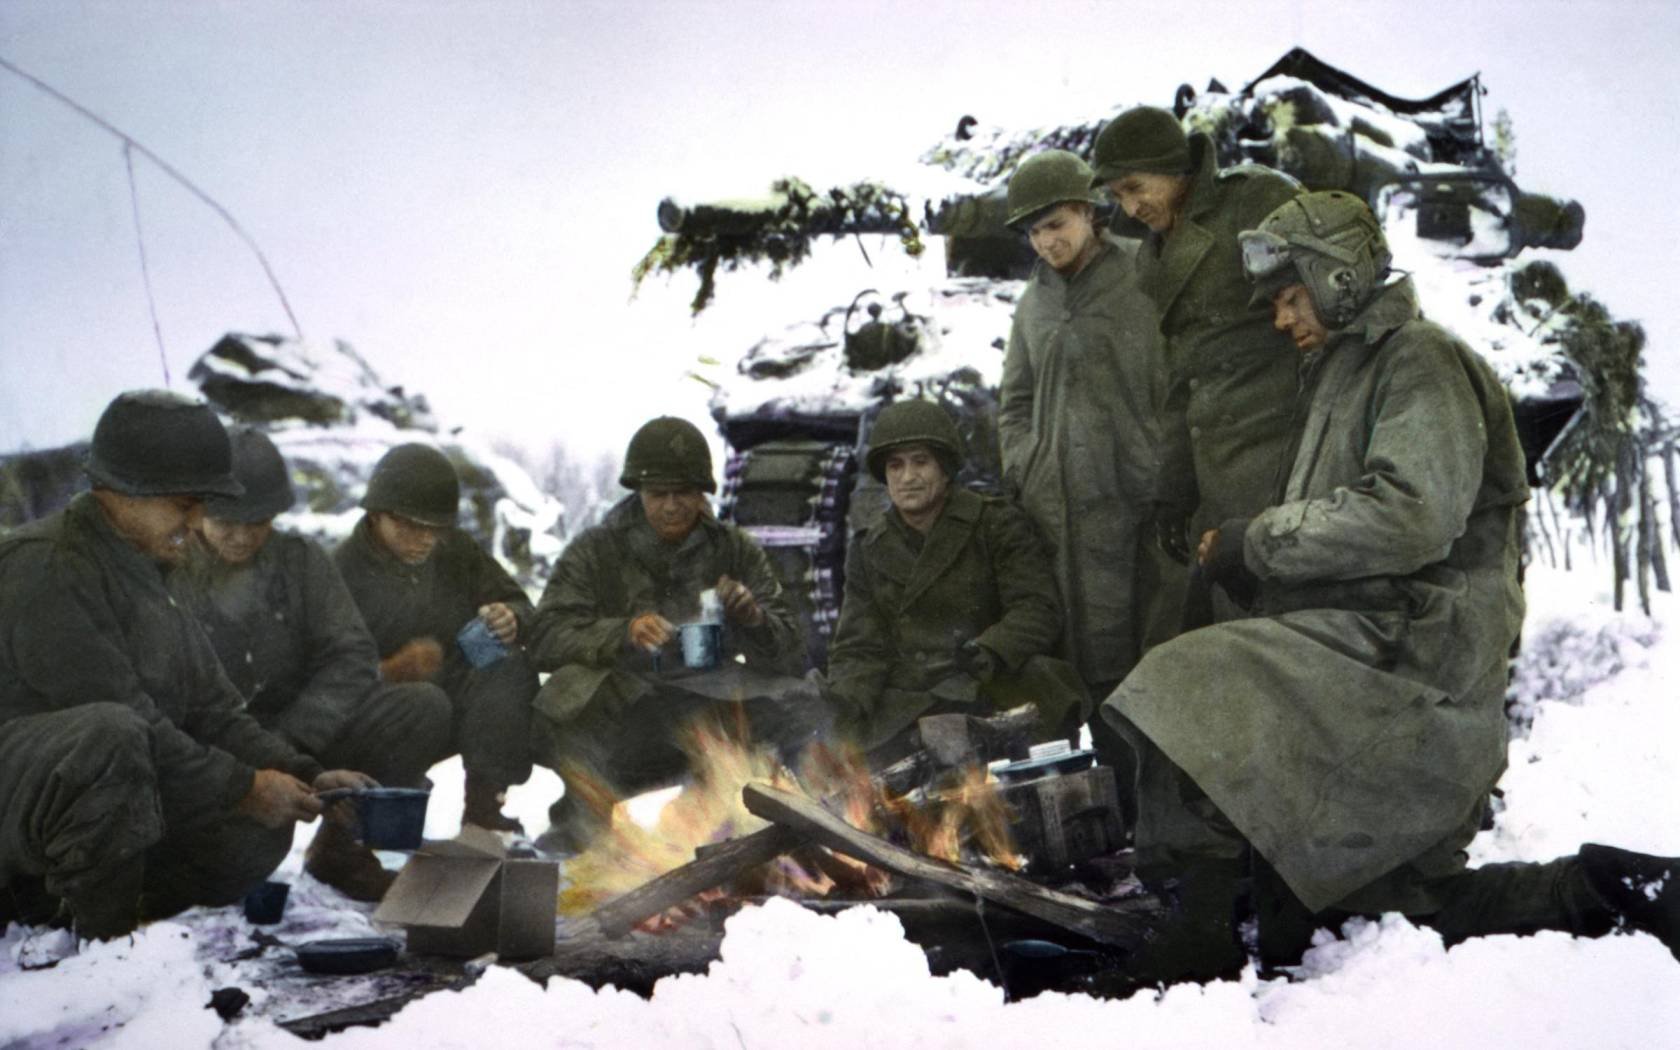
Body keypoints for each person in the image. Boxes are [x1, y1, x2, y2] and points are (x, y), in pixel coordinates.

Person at [1097, 191, 1679, 984]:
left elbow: (1413, 514)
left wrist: (1261, 541)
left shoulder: (1419, 359)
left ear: (1337, 278)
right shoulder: (1341, 374)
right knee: (1394, 915)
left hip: (1415, 659)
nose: (1279, 318)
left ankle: (1196, 940)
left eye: (1289, 296)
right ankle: (1616, 888)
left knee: (1180, 681)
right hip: (1371, 657)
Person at [0, 391, 368, 945]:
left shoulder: (150, 568)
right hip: (25, 804)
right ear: (118, 494)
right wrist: (243, 786)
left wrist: (302, 773)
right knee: (111, 735)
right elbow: (131, 723)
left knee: (262, 823)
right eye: (184, 504)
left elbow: (214, 711)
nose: (198, 524)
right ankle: (94, 946)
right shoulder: (45, 566)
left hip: (99, 798)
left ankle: (113, 903)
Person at [170, 427, 452, 900]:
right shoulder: (169, 571)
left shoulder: (302, 562)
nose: (241, 536)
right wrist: (249, 772)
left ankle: (346, 854)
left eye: (256, 522)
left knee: (419, 706)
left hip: (303, 732)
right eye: (226, 521)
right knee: (244, 860)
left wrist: (293, 739)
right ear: (198, 512)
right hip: (215, 754)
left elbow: (351, 655)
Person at [525, 416, 818, 853]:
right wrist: (622, 632)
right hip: (623, 716)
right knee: (574, 697)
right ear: (638, 493)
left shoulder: (733, 548)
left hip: (706, 707)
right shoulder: (597, 549)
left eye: (683, 492)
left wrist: (753, 617)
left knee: (802, 702)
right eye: (658, 494)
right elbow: (546, 634)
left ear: (702, 493)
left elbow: (792, 650)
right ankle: (581, 821)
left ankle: (744, 822)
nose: (670, 506)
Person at [1089, 105, 1301, 605]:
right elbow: (1183, 379)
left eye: (1137, 187)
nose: (1131, 207)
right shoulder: (1153, 257)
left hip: (1282, 455)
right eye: (1119, 195)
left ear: (1175, 167)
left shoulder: (1255, 201)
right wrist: (1175, 488)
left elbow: (1329, 299)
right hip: (1216, 466)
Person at [997, 148, 1181, 706]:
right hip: (1058, 511)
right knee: (1073, 667)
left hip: (1138, 500)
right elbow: (1014, 398)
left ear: (1088, 211)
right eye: (1033, 232)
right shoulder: (1034, 302)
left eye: (1055, 225)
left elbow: (1180, 377)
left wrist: (1161, 463)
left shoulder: (1144, 273)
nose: (1046, 242)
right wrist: (1024, 463)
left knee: (1153, 653)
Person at [826, 399, 1086, 757]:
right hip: (913, 698)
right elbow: (859, 647)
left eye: (921, 462)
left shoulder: (994, 522)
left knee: (1044, 683)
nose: (908, 477)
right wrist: (845, 702)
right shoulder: (869, 548)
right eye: (895, 465)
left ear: (946, 468)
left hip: (987, 683)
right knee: (844, 748)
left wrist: (990, 650)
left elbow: (1037, 609)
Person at [333, 443, 539, 833]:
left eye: (433, 527)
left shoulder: (456, 551)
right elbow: (318, 681)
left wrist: (511, 617)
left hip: (449, 695)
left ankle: (484, 809)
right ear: (377, 516)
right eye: (409, 525)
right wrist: (389, 671)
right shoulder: (340, 572)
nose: (424, 539)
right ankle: (352, 838)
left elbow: (520, 603)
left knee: (506, 662)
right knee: (424, 703)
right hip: (374, 714)